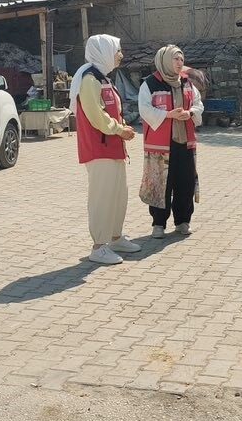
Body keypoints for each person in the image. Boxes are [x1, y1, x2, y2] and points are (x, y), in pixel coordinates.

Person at [69, 34, 140, 265]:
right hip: (99, 148)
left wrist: (120, 129)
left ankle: (116, 237)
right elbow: (96, 115)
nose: (121, 55)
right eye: (117, 50)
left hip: (113, 147)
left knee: (118, 195)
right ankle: (99, 246)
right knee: (102, 197)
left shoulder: (104, 79)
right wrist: (120, 130)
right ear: (104, 52)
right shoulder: (90, 80)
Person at [138, 44, 204, 238]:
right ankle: (158, 224)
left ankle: (183, 221)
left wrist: (190, 112)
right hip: (161, 145)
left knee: (185, 182)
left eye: (182, 59)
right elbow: (144, 109)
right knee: (161, 183)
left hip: (185, 143)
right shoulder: (150, 83)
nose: (179, 63)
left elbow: (198, 104)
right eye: (175, 59)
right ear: (165, 60)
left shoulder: (187, 83)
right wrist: (168, 115)